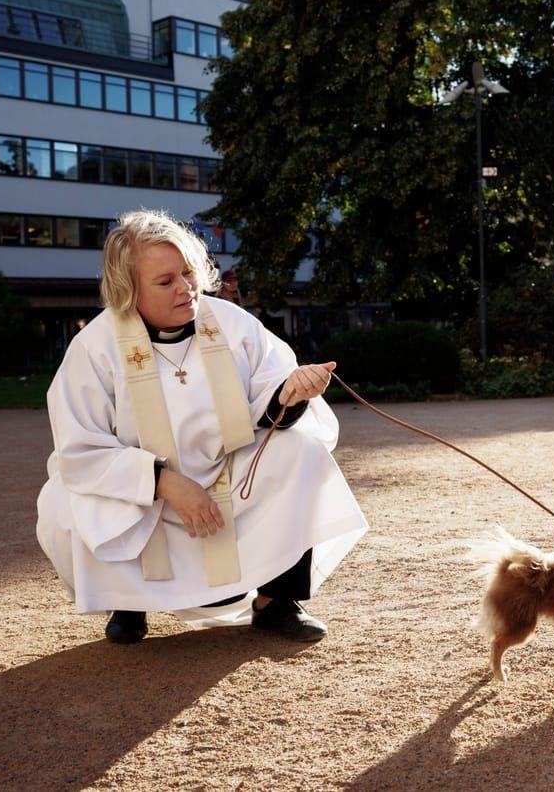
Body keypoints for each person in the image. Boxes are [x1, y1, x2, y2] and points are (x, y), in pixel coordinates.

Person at [36, 210, 367, 644]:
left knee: (300, 452)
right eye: (165, 281)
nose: (186, 288)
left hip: (226, 478)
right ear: (128, 289)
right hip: (143, 497)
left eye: (188, 272)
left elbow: (269, 385)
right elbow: (81, 449)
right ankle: (128, 601)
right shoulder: (95, 347)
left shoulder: (230, 323)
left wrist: (289, 391)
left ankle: (275, 601)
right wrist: (166, 483)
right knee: (63, 498)